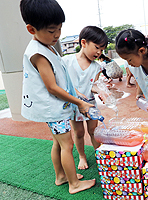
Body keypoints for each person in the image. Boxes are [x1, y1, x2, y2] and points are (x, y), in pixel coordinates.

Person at [20, 0, 95, 193]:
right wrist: (79, 101)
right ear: (31, 29)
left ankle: (62, 176)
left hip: (54, 108)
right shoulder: (38, 53)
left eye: (60, 29)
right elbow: (52, 87)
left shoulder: (46, 45)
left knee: (58, 142)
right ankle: (74, 184)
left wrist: (75, 93)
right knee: (67, 144)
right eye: (52, 30)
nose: (57, 35)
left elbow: (61, 79)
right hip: (53, 109)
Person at [63, 26, 108, 169]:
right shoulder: (67, 61)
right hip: (74, 104)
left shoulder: (97, 67)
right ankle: (82, 156)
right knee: (79, 132)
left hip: (90, 104)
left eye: (102, 49)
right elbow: (64, 84)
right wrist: (76, 93)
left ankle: (98, 153)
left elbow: (93, 85)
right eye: (97, 48)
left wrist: (101, 91)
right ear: (83, 43)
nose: (99, 52)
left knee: (94, 131)